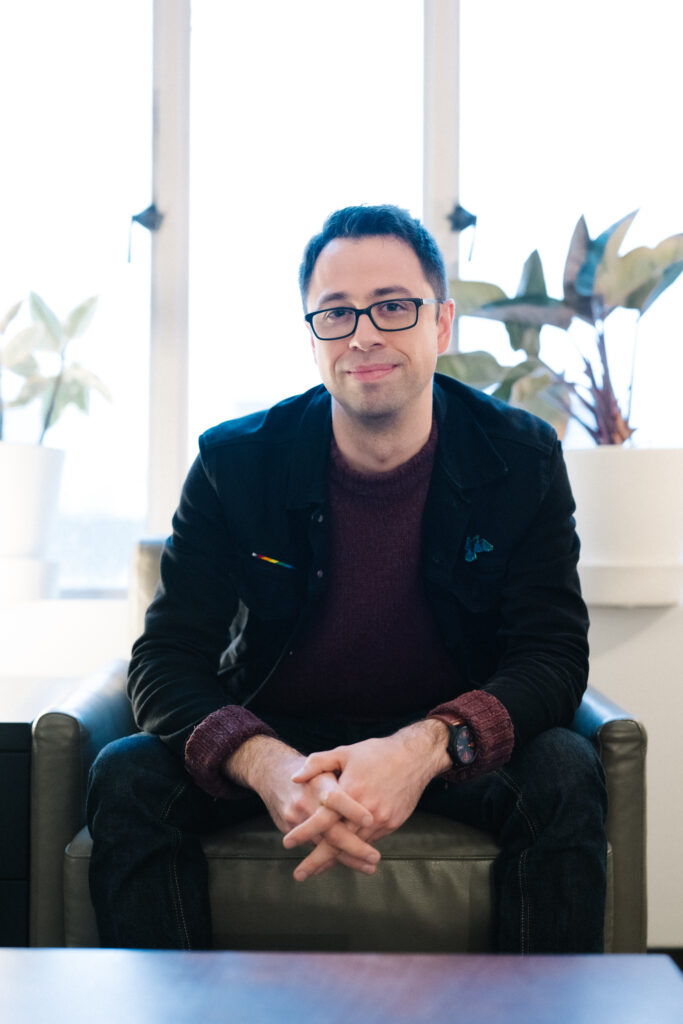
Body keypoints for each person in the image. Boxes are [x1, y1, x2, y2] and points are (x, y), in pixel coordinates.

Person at [86, 204, 607, 953]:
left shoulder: (520, 459)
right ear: (313, 338)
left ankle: (538, 1005)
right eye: (335, 313)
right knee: (127, 773)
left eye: (393, 306)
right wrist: (268, 766)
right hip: (280, 730)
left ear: (441, 324)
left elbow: (551, 654)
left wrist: (423, 749)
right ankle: (177, 1004)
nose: (363, 334)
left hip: (444, 735)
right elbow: (165, 659)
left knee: (564, 769)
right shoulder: (235, 465)